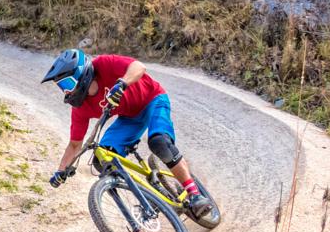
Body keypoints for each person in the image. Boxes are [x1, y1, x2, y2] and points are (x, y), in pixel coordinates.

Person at [40, 48, 211, 217]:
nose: (67, 92)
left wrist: (123, 83)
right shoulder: (81, 107)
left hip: (153, 99)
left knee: (159, 142)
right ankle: (153, 197)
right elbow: (74, 144)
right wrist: (61, 171)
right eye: (62, 87)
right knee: (103, 161)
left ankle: (195, 195)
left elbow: (139, 67)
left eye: (67, 84)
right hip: (130, 118)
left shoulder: (103, 63)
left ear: (81, 73)